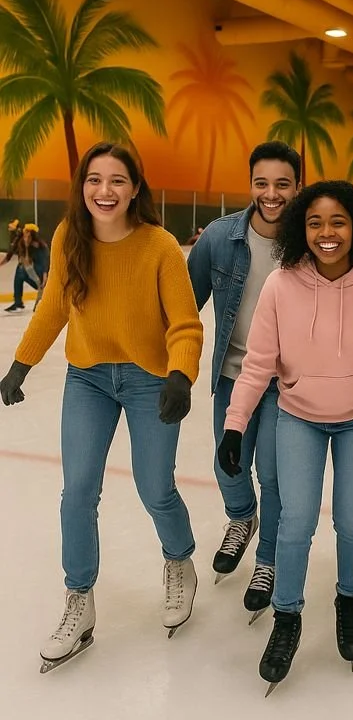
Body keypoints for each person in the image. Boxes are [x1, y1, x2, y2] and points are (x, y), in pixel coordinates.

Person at [0, 142, 203, 672]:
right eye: (94, 179)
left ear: (135, 188)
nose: (104, 191)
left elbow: (184, 323)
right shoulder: (70, 235)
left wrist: (180, 376)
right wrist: (22, 363)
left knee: (155, 488)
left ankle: (179, 561)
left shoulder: (159, 246)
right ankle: (79, 601)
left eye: (117, 180)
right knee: (77, 492)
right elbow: (53, 307)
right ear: (81, 186)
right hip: (87, 377)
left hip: (148, 379)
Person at [216, 181, 353, 692]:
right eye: (314, 223)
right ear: (299, 229)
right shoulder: (282, 285)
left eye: (337, 222)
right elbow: (258, 363)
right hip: (298, 417)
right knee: (294, 523)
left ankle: (350, 602)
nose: (326, 233)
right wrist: (235, 425)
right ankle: (287, 618)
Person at [188, 141, 300, 622]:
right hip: (234, 376)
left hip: (288, 383)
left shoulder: (309, 240)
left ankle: (268, 560)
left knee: (274, 476)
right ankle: (241, 518)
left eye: (282, 184)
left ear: (297, 186)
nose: (271, 194)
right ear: (250, 183)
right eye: (262, 183)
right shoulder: (219, 237)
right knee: (228, 465)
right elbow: (183, 305)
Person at [2, 222, 50, 312]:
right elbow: (9, 256)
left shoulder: (40, 246)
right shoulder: (21, 243)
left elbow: (45, 262)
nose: (25, 236)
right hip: (33, 275)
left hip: (42, 276)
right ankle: (18, 302)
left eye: (28, 234)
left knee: (21, 269)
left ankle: (21, 301)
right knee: (20, 270)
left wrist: (45, 277)